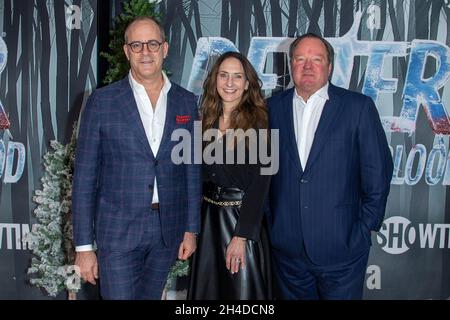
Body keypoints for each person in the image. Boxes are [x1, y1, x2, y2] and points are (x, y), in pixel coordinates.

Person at [72, 16, 201, 300]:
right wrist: (83, 248)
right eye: (137, 45)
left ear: (165, 49)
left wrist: (191, 229)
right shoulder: (102, 102)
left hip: (167, 231)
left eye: (152, 44)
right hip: (117, 232)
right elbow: (84, 179)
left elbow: (191, 170)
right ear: (127, 51)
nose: (146, 52)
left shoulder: (186, 102)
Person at [267, 33, 393, 300]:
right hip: (287, 252)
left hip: (342, 250)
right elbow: (262, 174)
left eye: (317, 59)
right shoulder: (271, 109)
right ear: (291, 65)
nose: (308, 66)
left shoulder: (357, 107)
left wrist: (364, 227)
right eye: (300, 59)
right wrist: (273, 223)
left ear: (330, 66)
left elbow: (378, 172)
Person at [188, 51, 272, 300]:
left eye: (237, 77)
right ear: (215, 79)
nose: (229, 83)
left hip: (240, 221)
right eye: (224, 75)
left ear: (247, 84)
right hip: (208, 222)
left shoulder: (261, 123)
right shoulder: (204, 121)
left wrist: (242, 235)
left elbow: (261, 186)